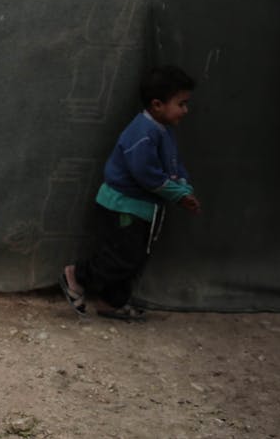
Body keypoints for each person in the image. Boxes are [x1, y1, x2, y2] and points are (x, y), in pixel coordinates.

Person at [61, 65, 201, 321]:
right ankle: (76, 276)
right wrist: (178, 195)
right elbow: (145, 173)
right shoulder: (142, 134)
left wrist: (185, 189)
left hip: (144, 210)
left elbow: (173, 164)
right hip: (123, 207)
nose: (185, 110)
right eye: (181, 103)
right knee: (122, 257)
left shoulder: (164, 131)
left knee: (135, 258)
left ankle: (111, 303)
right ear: (157, 105)